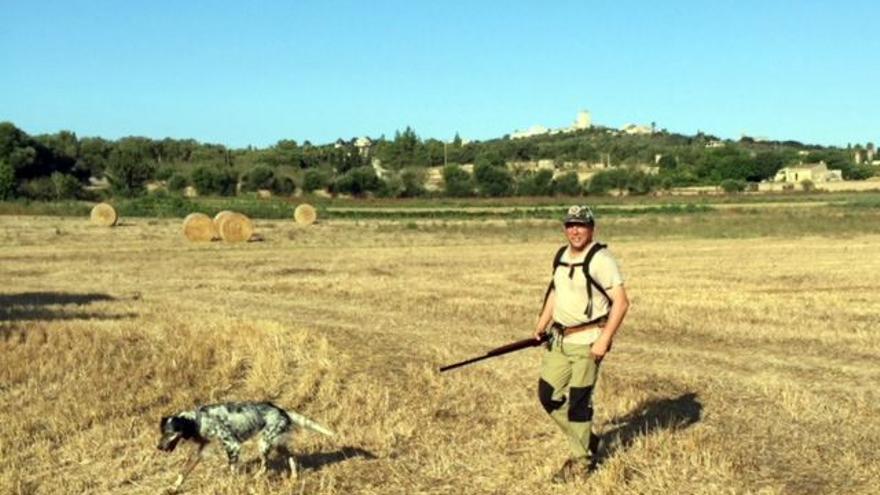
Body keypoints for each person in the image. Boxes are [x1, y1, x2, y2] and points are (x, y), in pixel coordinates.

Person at [533, 205, 630, 483]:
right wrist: (541, 325)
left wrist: (604, 339)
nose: (575, 230)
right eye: (570, 225)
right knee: (547, 396)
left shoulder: (602, 259)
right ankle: (588, 439)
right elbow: (555, 291)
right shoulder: (561, 256)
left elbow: (621, 303)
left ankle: (581, 462)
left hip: (588, 342)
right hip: (559, 340)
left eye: (581, 225)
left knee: (578, 403)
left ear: (592, 228)